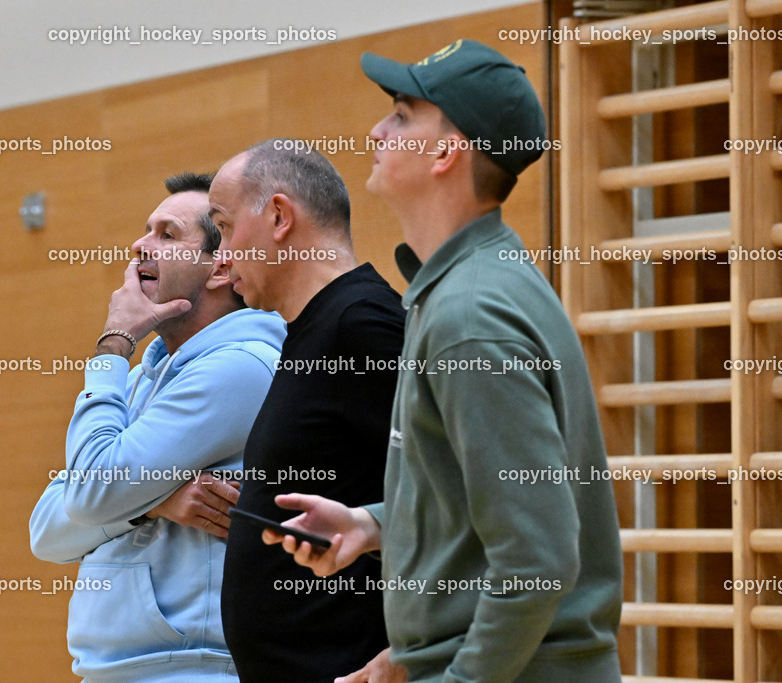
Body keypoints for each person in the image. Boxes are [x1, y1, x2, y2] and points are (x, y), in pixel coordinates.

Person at [265, 40, 624, 682]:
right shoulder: (464, 287)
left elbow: (536, 559)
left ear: (446, 152)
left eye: (402, 115)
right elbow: (479, 503)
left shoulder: (469, 317)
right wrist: (369, 524)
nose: (376, 130)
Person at [29, 172, 286, 682]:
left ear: (220, 268)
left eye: (167, 235)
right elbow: (45, 532)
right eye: (147, 230)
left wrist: (113, 344)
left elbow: (89, 494)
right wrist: (151, 500)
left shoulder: (240, 366)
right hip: (119, 669)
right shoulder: (148, 373)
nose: (140, 246)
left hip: (191, 669)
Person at [208, 142, 406, 683]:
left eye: (224, 228)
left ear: (277, 216)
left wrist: (416, 649)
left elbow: (458, 498)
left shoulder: (361, 325)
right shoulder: (311, 329)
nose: (221, 257)